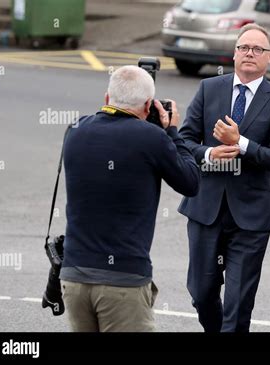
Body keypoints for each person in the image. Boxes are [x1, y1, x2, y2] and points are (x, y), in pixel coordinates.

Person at [60, 65, 200, 332]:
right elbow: (191, 182)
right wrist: (171, 131)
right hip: (123, 279)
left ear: (106, 98)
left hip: (75, 276)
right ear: (148, 105)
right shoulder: (152, 138)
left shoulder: (75, 130)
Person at [178, 23, 270, 332]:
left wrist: (240, 143)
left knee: (238, 305)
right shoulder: (209, 88)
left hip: (251, 218)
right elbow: (183, 141)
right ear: (234, 54)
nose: (249, 54)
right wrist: (209, 154)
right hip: (205, 210)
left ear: (269, 58)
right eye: (244, 47)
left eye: (258, 49)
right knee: (201, 295)